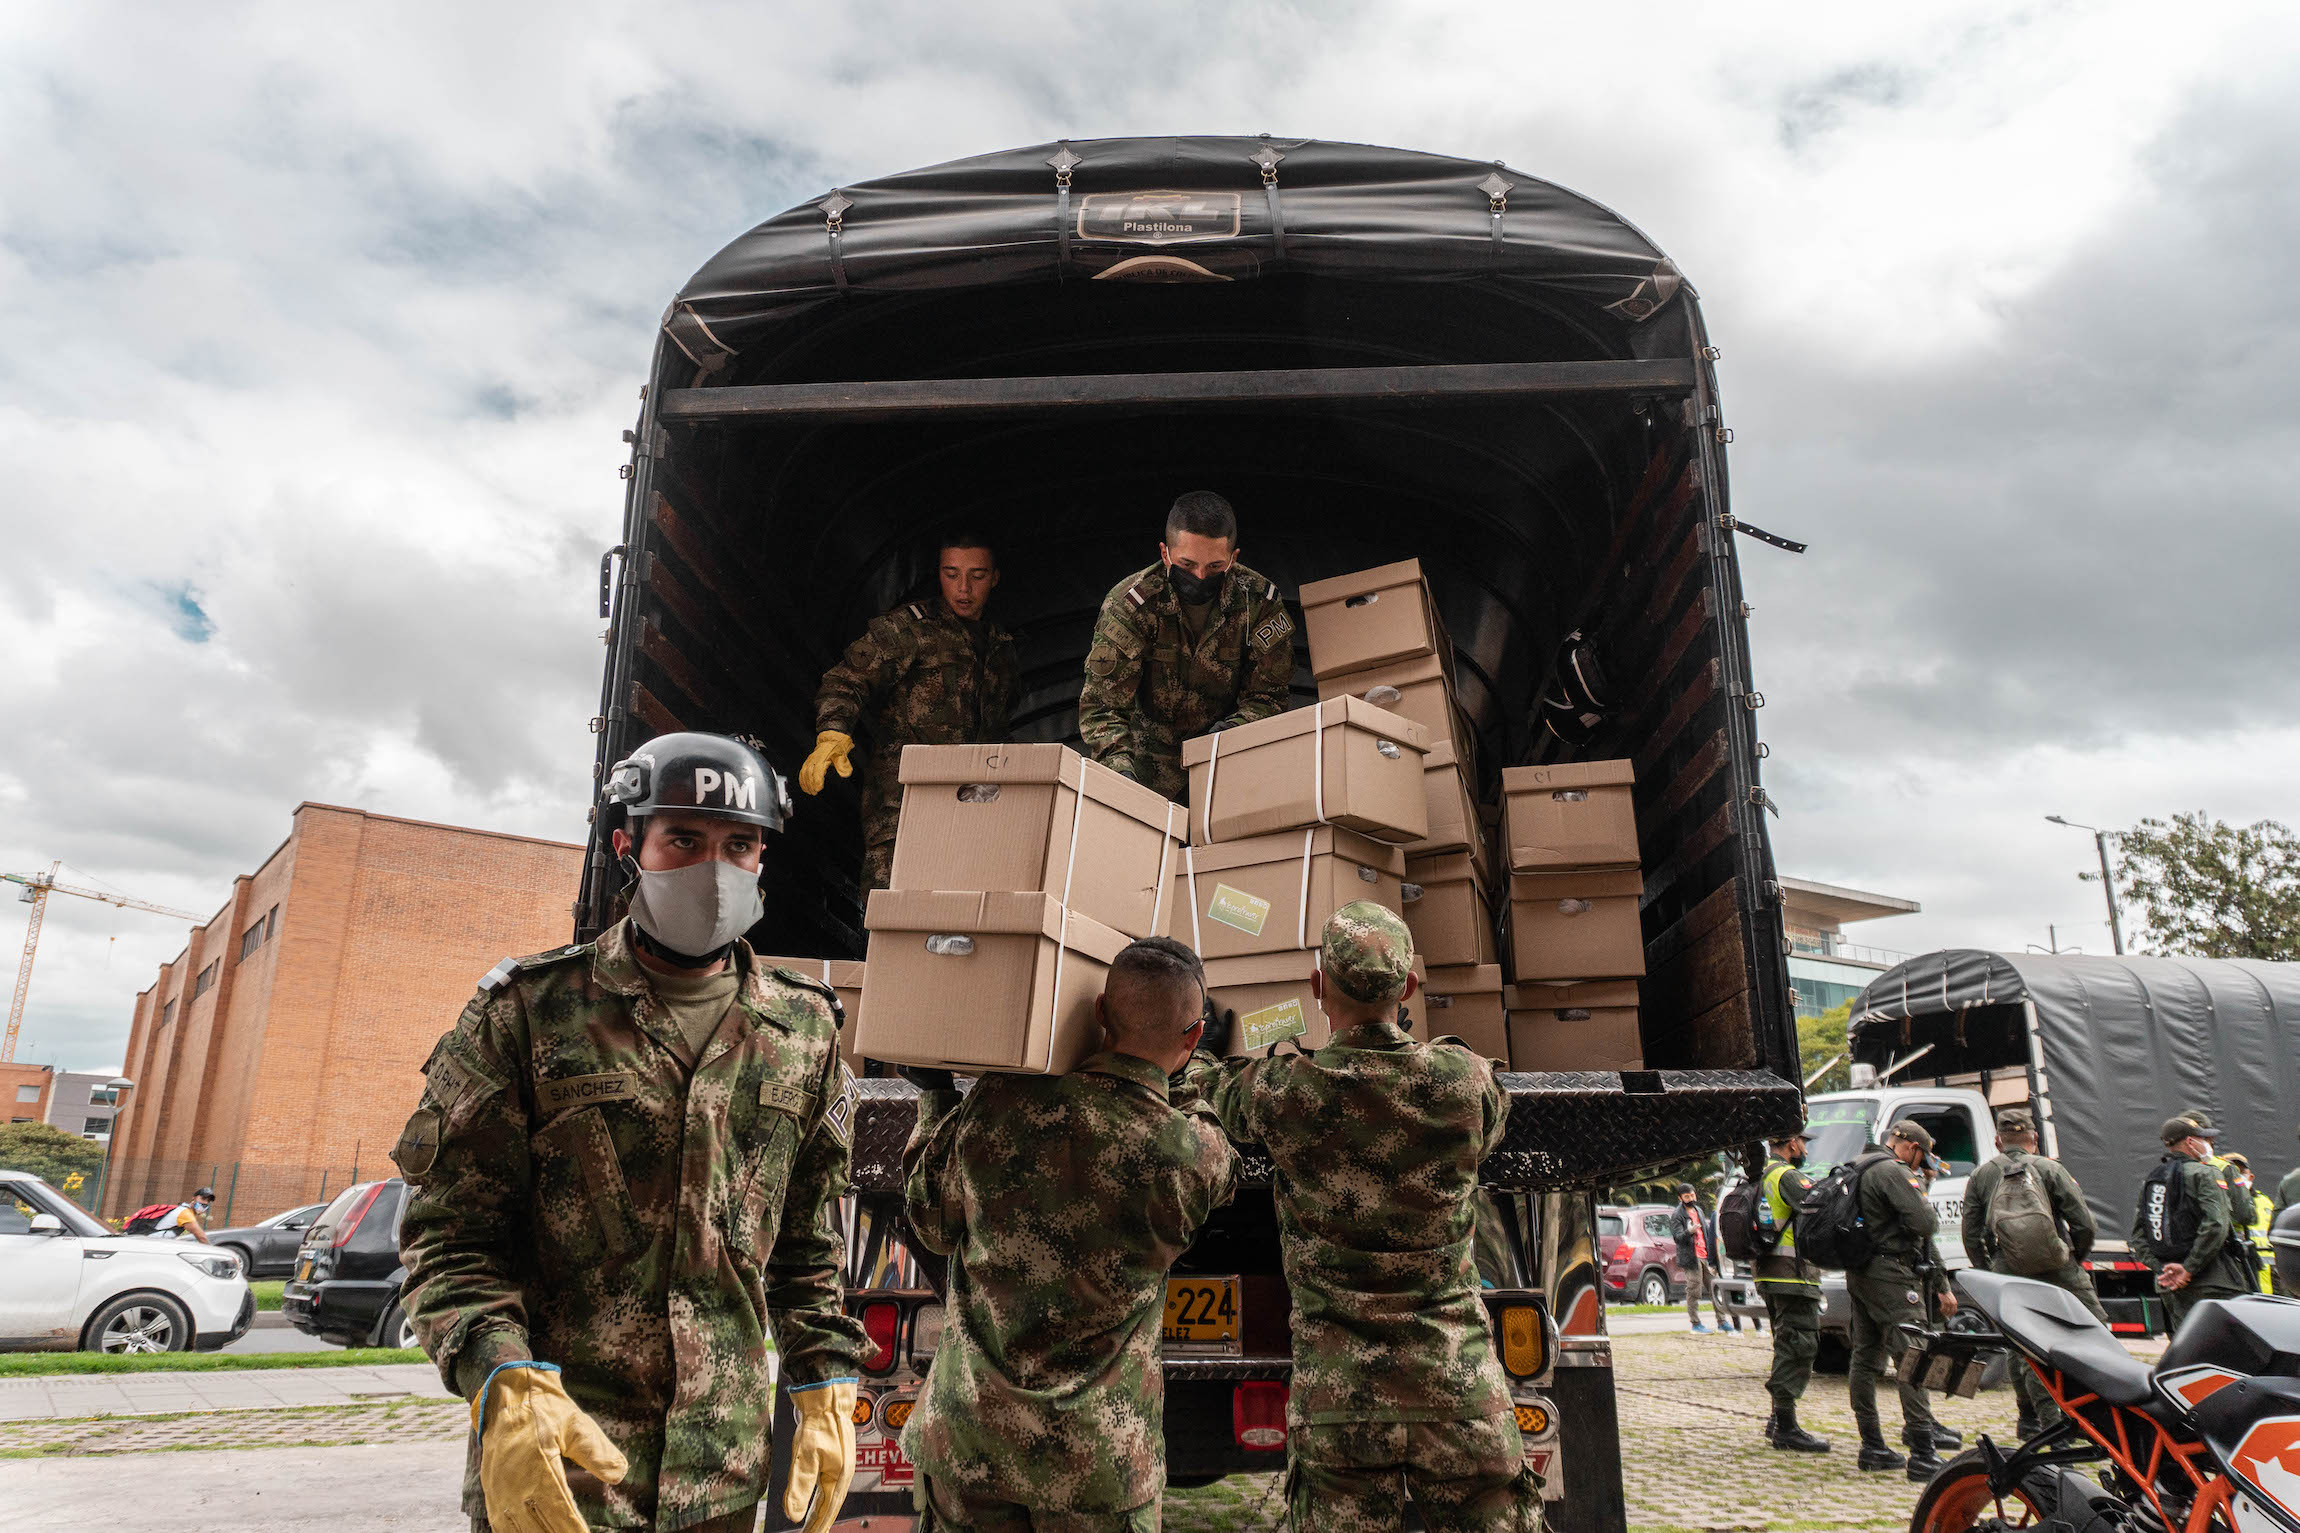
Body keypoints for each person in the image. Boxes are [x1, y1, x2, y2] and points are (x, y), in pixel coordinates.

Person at [393, 732, 867, 1533]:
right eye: (683, 838)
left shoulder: (805, 1029)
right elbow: (452, 1238)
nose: (713, 867)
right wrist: (499, 1375)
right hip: (561, 1465)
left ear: (761, 860)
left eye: (739, 844)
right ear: (628, 846)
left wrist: (825, 1372)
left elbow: (804, 1244)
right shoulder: (527, 1014)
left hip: (719, 1478)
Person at [1185, 902, 1540, 1531]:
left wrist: (1209, 1051)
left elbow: (1208, 1088)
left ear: (1320, 989)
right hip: (1457, 1394)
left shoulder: (1285, 1091)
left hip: (1340, 1404)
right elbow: (1492, 1118)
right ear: (1407, 988)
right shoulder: (1462, 1083)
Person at [898, 936, 1239, 1531]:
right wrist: (1194, 1070)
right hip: (1096, 1465)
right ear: (1193, 1035)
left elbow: (930, 1222)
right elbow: (1209, 1140)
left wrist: (934, 1100)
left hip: (970, 1443)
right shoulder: (1189, 1152)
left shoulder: (1000, 1101)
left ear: (1100, 1014)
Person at [800, 533, 1020, 891]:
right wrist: (833, 731)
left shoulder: (1002, 648)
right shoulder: (909, 628)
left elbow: (1001, 726)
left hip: (974, 806)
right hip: (903, 801)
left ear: (994, 577)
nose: (963, 588)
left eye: (977, 576)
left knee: (958, 905)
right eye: (951, 574)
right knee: (891, 901)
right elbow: (848, 679)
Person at [1077, 491, 1296, 803]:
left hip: (1229, 765)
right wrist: (1120, 776)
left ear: (1233, 558)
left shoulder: (1258, 603)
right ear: (1165, 553)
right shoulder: (1132, 605)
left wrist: (1229, 735)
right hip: (1143, 770)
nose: (1199, 576)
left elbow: (1270, 697)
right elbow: (1103, 707)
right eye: (1187, 563)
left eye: (1215, 566)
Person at [1959, 1108, 2105, 1438]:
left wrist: (1990, 1274)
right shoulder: (2051, 1169)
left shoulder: (1982, 1176)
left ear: (1998, 1141)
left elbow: (1970, 1234)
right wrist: (2072, 1257)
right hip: (2059, 1265)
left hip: (2009, 1269)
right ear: (2034, 1139)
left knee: (2021, 1345)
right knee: (2096, 1330)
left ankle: (2031, 1419)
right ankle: (2088, 1413)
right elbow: (2084, 1223)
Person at [1847, 1121, 1962, 1480]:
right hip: (1894, 1276)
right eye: (1919, 1157)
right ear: (1909, 1147)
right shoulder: (1892, 1171)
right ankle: (1923, 1451)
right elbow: (1925, 1224)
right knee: (1913, 1355)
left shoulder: (1857, 1165)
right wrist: (1921, 1189)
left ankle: (1872, 1446)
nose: (1918, 1164)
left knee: (1865, 1358)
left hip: (1862, 1272)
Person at [2131, 1116, 2253, 1335]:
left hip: (2170, 1286)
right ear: (2190, 1142)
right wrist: (2188, 1269)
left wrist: (2164, 1271)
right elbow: (2216, 1224)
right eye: (2203, 1139)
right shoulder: (2206, 1173)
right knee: (2229, 1353)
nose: (2207, 1145)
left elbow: (2139, 1236)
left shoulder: (2153, 1179)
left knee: (2187, 1352)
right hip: (2214, 1282)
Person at [1751, 1128, 1829, 1453]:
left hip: (1771, 1274)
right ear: (1792, 1143)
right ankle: (1786, 1426)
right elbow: (1821, 1209)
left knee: (1785, 1342)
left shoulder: (1763, 1173)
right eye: (1804, 1142)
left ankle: (1776, 1420)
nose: (1805, 1148)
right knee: (1799, 1344)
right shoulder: (1787, 1175)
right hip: (1792, 1276)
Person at [1668, 1183, 1725, 1334]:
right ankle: (1695, 1323)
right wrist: (1688, 1231)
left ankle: (1722, 1321)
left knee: (1715, 1288)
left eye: (1692, 1195)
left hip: (1705, 1255)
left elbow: (1707, 1233)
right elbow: (1677, 1237)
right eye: (1687, 1197)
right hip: (1691, 1258)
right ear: (1680, 1198)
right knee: (1693, 1291)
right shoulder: (1677, 1215)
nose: (1691, 1198)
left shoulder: (1698, 1210)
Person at [2223, 1152, 2277, 1293]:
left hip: (2273, 1276)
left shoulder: (2265, 1202)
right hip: (2242, 1272)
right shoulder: (2222, 1201)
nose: (2237, 1176)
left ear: (2251, 1176)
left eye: (2241, 1172)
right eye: (2233, 1171)